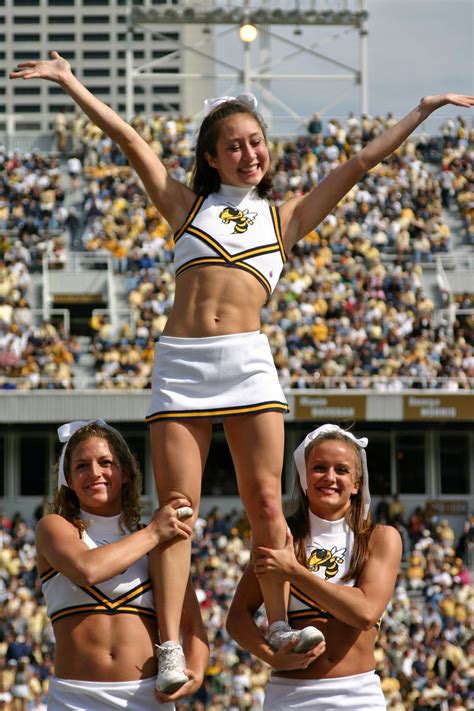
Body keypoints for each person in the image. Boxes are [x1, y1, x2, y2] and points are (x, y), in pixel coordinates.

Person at [10, 52, 474, 692]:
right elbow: (126, 138)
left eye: (256, 142)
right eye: (234, 146)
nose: (249, 153)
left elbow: (361, 164)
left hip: (250, 365)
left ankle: (280, 623)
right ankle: (170, 643)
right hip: (182, 365)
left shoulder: (284, 219)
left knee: (264, 503)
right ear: (211, 157)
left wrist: (420, 114)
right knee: (178, 510)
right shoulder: (183, 207)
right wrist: (70, 82)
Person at [34, 418, 208, 709]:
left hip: (149, 698)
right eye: (81, 466)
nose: (95, 473)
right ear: (69, 480)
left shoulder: (158, 540)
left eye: (106, 462)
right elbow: (86, 569)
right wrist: (153, 532)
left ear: (125, 471)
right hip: (74, 699)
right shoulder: (54, 528)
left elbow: (191, 625)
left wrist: (198, 672)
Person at [226, 424, 403, 710]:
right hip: (288, 696)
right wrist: (271, 657)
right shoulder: (282, 538)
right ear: (305, 477)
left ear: (357, 483)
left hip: (358, 695)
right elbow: (237, 617)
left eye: (342, 470)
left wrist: (294, 572)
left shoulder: (381, 538)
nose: (330, 478)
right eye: (319, 467)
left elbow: (365, 613)